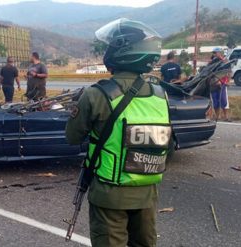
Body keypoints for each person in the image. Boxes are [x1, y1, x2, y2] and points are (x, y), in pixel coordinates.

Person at [66, 18, 171, 247]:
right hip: (147, 194)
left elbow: (72, 137)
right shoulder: (160, 94)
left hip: (109, 196)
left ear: (121, 52)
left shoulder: (97, 94)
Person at [210, 47, 230, 121]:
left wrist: (228, 81)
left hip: (222, 83)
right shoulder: (212, 62)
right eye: (213, 53)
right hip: (213, 84)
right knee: (215, 101)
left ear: (219, 53)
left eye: (215, 53)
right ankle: (217, 116)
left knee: (224, 100)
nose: (214, 54)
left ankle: (226, 116)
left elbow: (228, 71)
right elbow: (210, 73)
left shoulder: (224, 61)